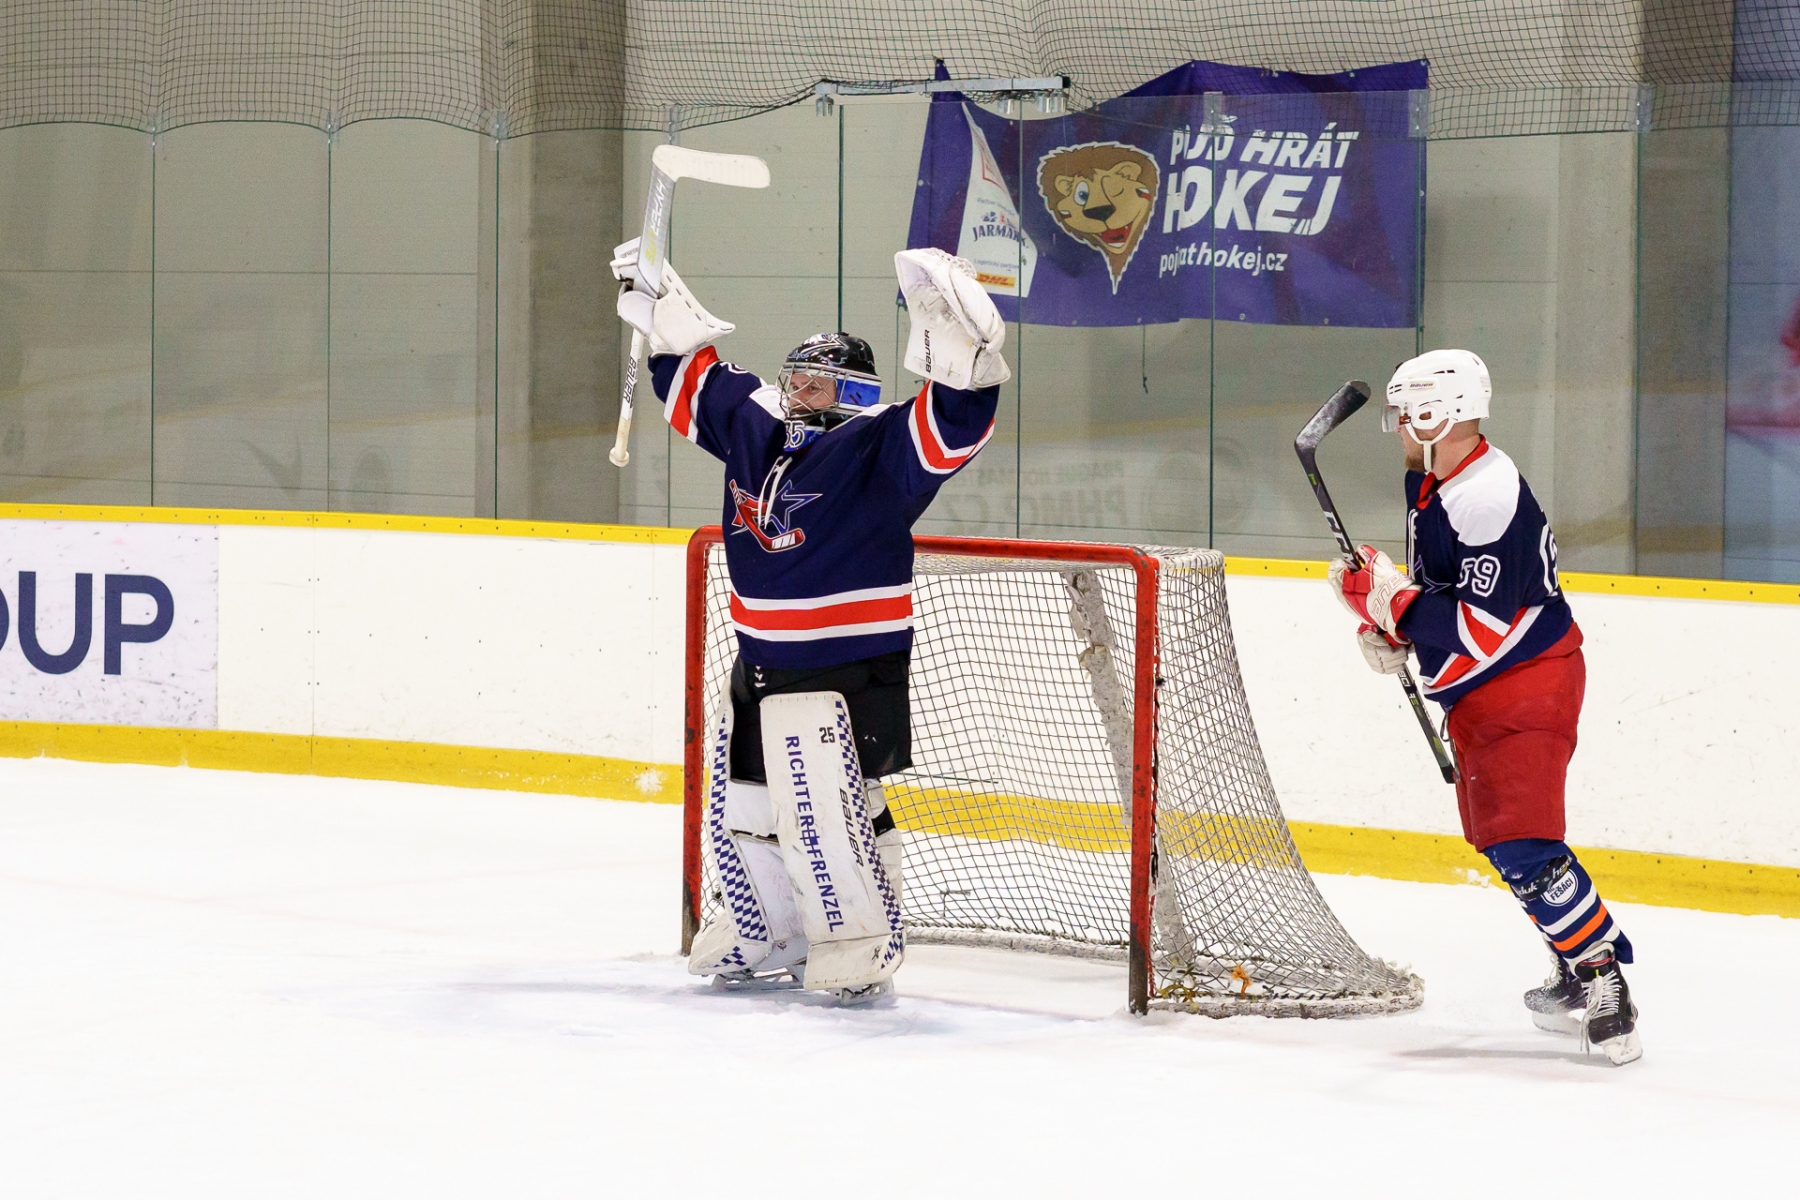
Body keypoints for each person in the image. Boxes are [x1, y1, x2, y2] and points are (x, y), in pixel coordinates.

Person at [611, 243, 1008, 1003]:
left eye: (816, 382)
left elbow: (956, 421)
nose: (797, 392)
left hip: (851, 666)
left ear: (852, 392)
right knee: (747, 800)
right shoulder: (759, 428)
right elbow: (698, 386)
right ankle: (766, 926)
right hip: (759, 658)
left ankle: (862, 934)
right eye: (793, 378)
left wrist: (966, 360)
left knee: (835, 804)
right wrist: (666, 324)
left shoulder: (881, 443)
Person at [1327, 349, 1642, 1065]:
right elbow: (1450, 594)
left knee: (1523, 843)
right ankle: (1575, 963)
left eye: (1404, 417)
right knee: (1506, 844)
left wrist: (1394, 605)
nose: (1398, 430)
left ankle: (1604, 982)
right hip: (1485, 688)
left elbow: (1480, 628)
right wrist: (1397, 629)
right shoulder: (1438, 482)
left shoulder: (1486, 495)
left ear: (1435, 415)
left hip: (1527, 685)